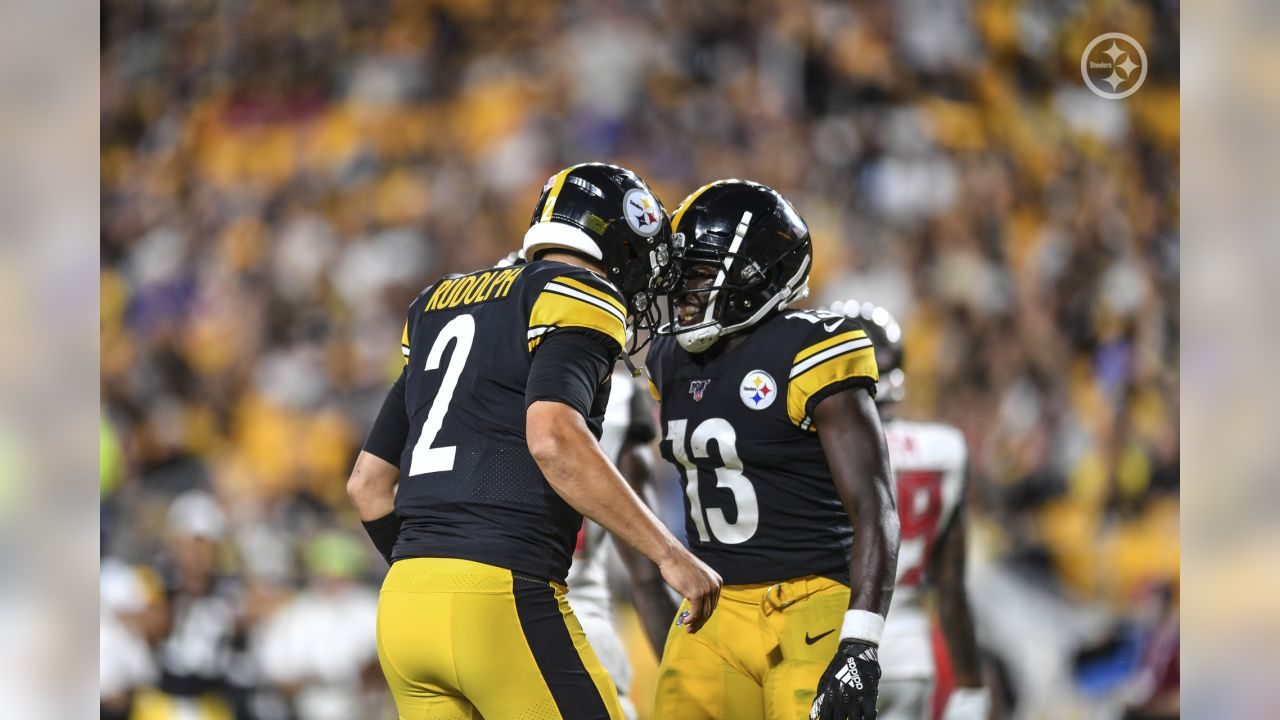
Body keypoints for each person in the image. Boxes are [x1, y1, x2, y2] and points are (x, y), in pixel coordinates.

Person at [345, 162, 722, 720]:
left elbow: (367, 485)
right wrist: (670, 554)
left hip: (403, 604)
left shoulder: (437, 302)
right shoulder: (579, 294)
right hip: (500, 596)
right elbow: (551, 437)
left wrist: (435, 571)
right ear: (618, 243)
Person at [644, 180, 900, 720]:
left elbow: (875, 506)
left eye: (697, 272)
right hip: (710, 605)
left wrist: (861, 644)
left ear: (754, 274)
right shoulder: (668, 358)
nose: (682, 290)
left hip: (809, 604)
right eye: (679, 273)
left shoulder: (812, 347)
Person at [833, 302, 989, 720]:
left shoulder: (821, 451)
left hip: (833, 639)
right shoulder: (944, 449)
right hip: (908, 648)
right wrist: (971, 684)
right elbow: (952, 589)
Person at [566, 365, 678, 720]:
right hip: (581, 632)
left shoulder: (452, 376)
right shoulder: (618, 396)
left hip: (465, 621)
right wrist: (683, 673)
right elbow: (649, 575)